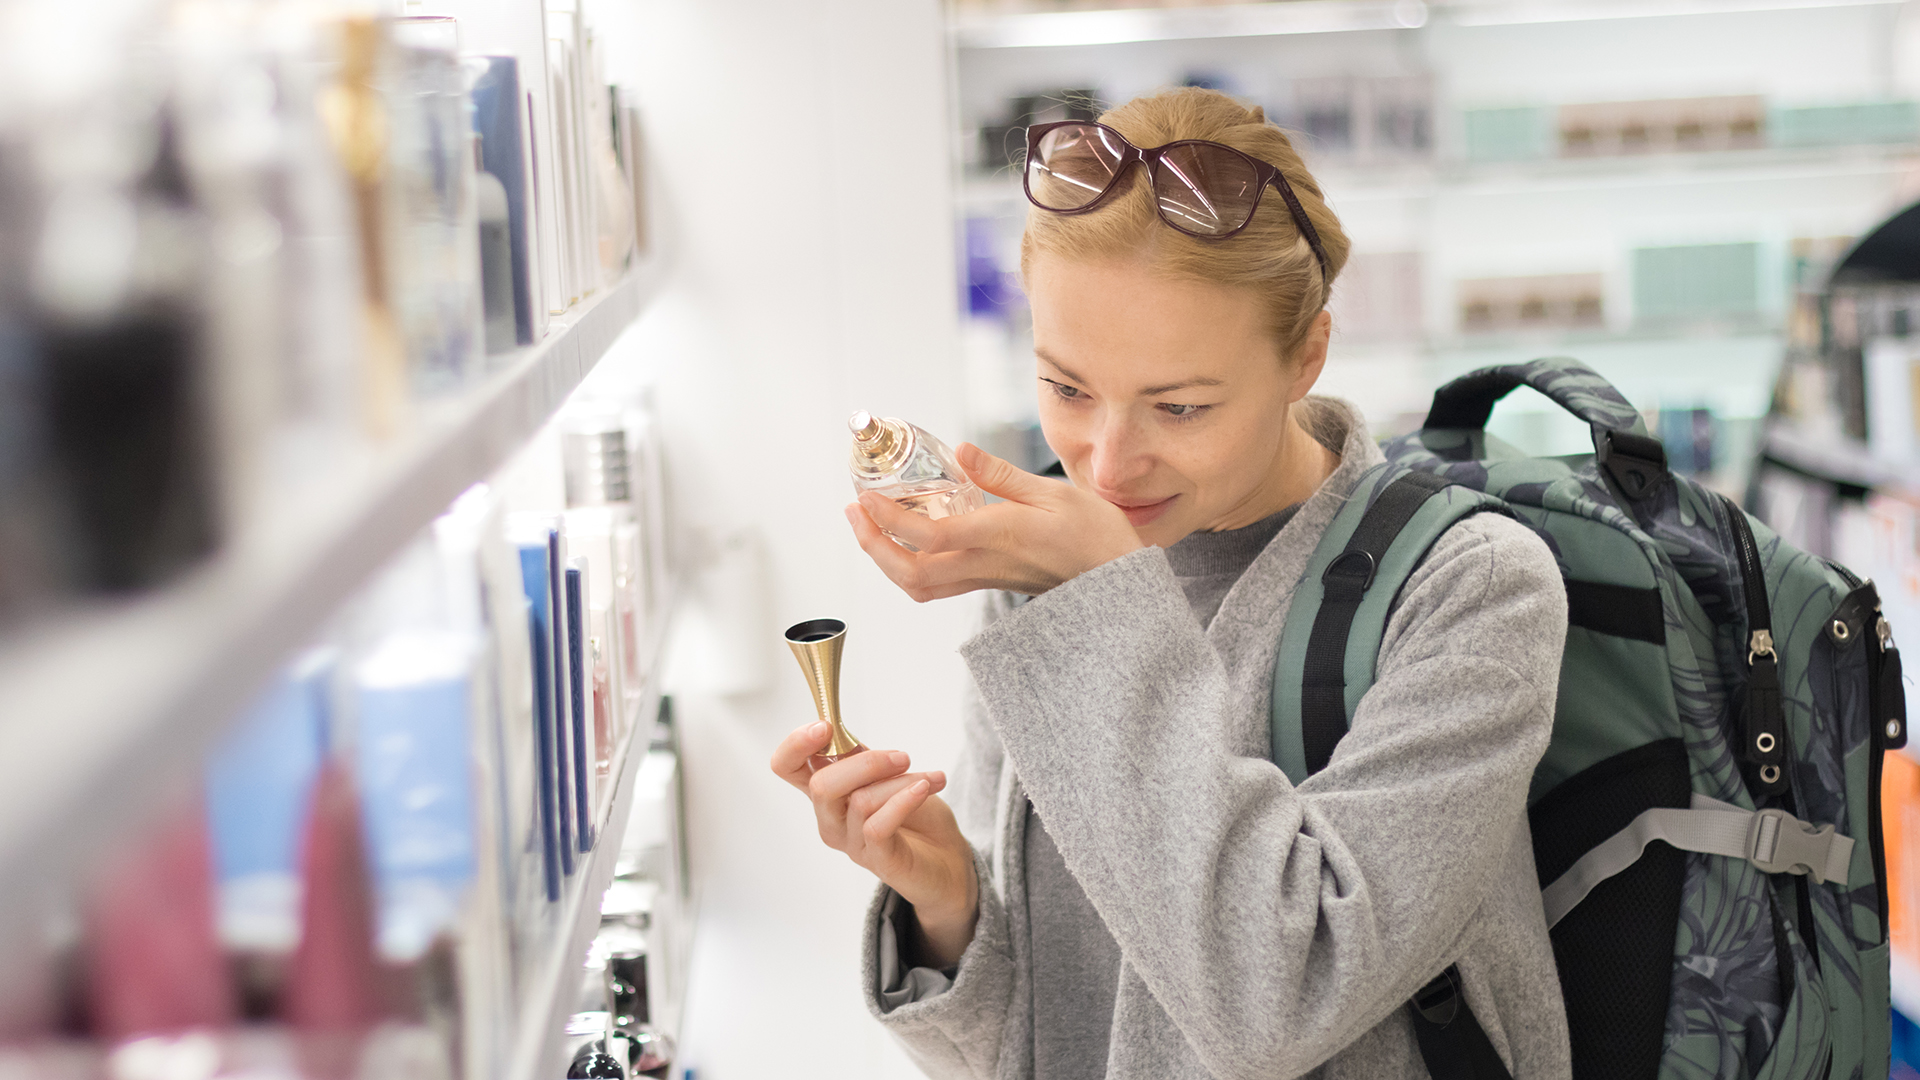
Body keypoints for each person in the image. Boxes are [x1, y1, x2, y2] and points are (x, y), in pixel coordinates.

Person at [770, 87, 1572, 1080]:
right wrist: (948, 904)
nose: (1107, 467)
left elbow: (1280, 1002)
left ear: (1305, 357)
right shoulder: (1038, 576)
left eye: (1180, 406)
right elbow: (1048, 1037)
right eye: (1066, 388)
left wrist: (1100, 591)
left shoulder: (1470, 590)